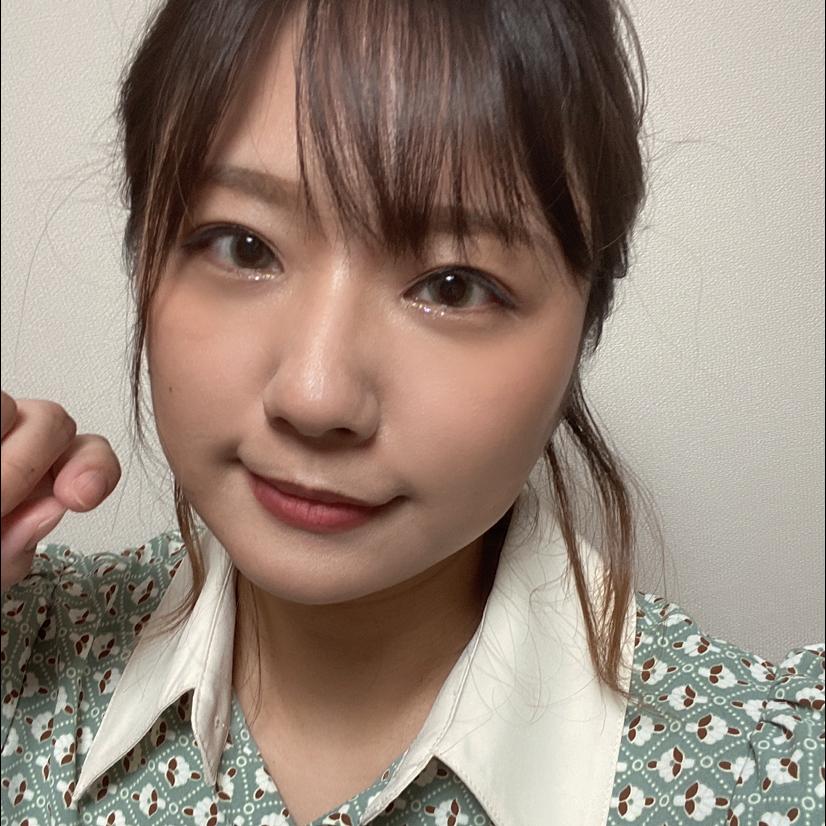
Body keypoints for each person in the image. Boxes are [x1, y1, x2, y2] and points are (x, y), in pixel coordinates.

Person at [1, 1, 822, 824]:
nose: (316, 396)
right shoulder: (28, 649)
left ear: (585, 326)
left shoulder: (765, 778)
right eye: (243, 245)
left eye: (453, 287)